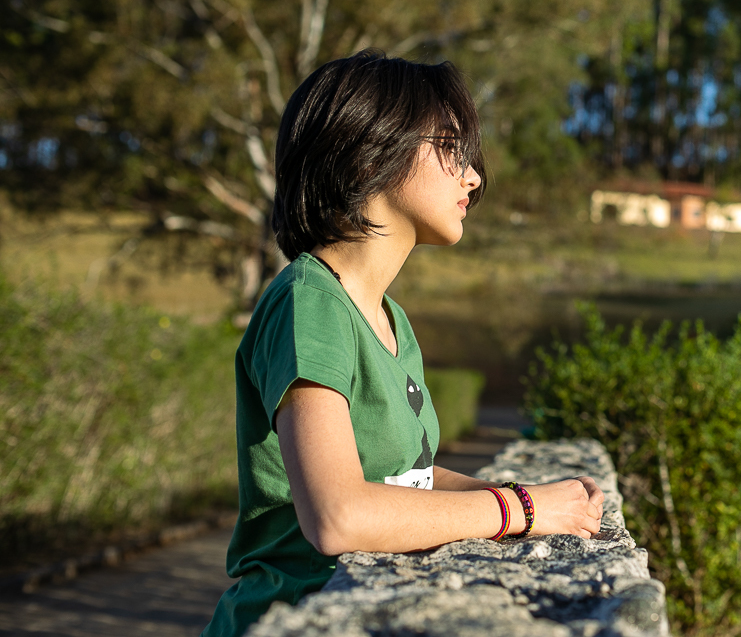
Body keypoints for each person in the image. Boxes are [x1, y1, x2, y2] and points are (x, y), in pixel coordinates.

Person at [201, 50, 604, 637]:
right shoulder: (308, 302)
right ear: (369, 151)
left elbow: (402, 479)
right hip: (294, 619)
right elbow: (338, 517)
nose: (473, 176)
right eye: (450, 147)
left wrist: (526, 497)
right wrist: (520, 512)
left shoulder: (391, 322)